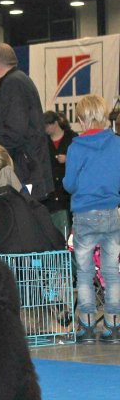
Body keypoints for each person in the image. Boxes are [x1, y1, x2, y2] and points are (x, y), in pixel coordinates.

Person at [62, 94, 120, 344]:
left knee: (85, 273)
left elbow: (69, 184)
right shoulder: (116, 143)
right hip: (111, 213)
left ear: (84, 119)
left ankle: (86, 327)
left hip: (85, 215)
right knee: (112, 271)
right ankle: (113, 326)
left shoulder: (76, 148)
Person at [0, 43, 54, 201]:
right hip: (25, 170)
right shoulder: (15, 82)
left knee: (25, 219)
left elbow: (15, 130)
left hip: (24, 173)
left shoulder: (13, 84)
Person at [42, 111, 76, 219]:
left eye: (47, 125)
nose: (45, 129)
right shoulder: (43, 142)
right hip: (51, 191)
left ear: (55, 123)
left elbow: (82, 160)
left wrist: (68, 159)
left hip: (68, 192)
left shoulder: (72, 138)